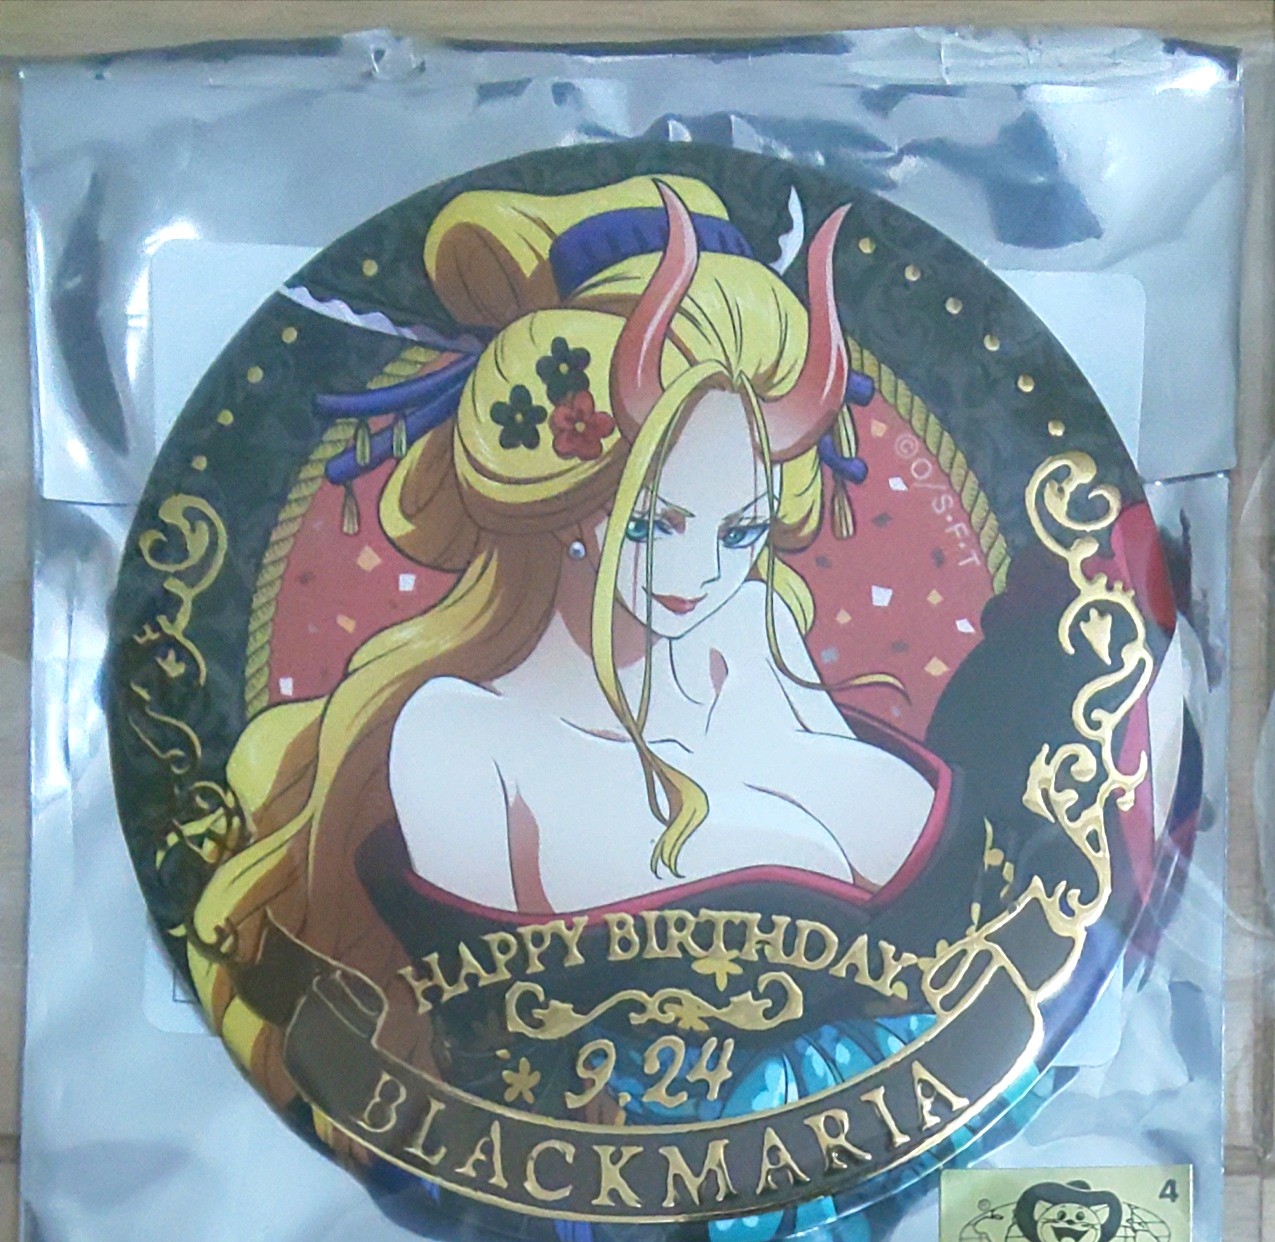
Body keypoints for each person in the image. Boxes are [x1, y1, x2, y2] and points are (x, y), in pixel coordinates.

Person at [187, 173, 949, 1100]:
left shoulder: (755, 630)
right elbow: (481, 1046)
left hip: (884, 1103)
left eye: (741, 530)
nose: (699, 573)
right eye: (654, 522)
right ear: (566, 499)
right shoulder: (456, 733)